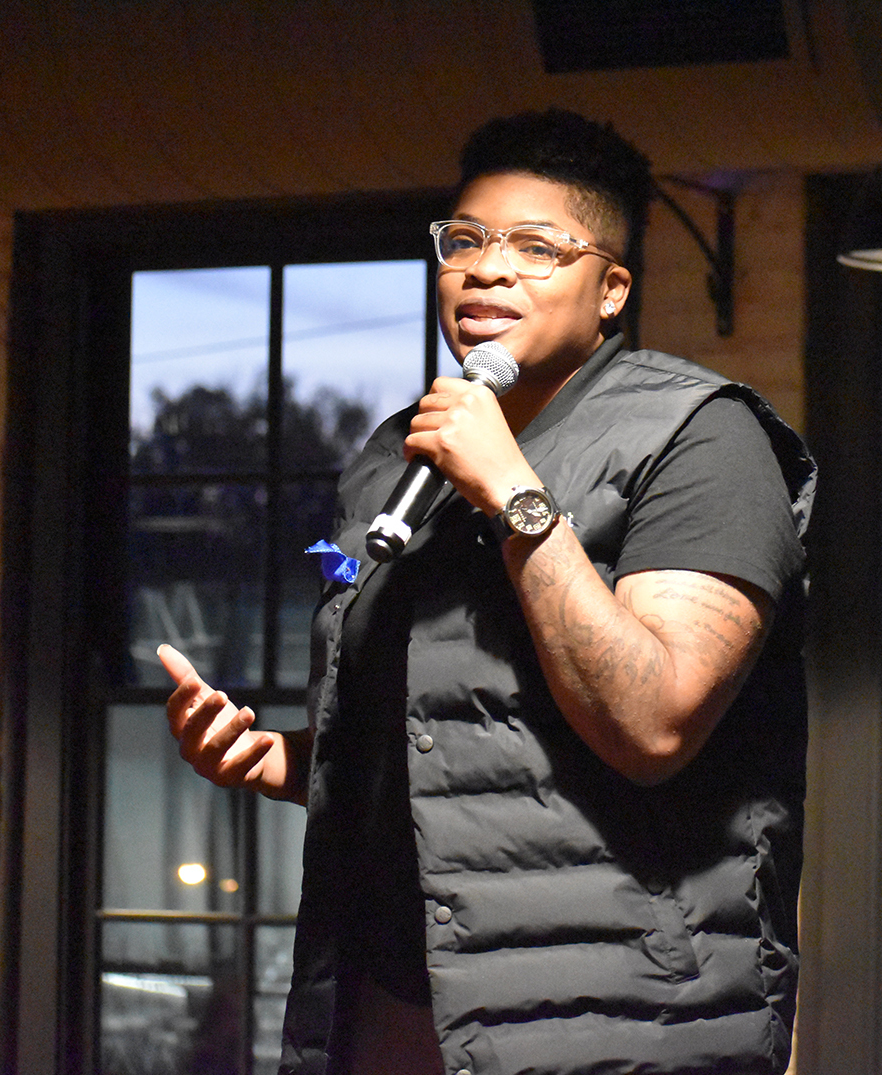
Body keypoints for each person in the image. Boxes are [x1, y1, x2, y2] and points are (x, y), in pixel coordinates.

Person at [159, 108, 815, 1075]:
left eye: (538, 248)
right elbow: (456, 744)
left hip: (621, 1017)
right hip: (396, 1000)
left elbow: (655, 722)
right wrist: (282, 760)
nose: (487, 270)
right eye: (463, 240)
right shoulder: (398, 459)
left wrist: (513, 491)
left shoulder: (702, 438)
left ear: (612, 290)